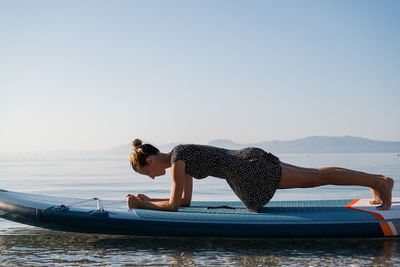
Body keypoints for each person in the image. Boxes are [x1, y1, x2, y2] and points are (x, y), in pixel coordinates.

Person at [126, 139, 394, 212]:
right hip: (248, 160)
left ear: (150, 160)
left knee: (315, 178)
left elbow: (173, 206)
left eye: (146, 172)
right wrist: (151, 199)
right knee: (315, 175)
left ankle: (378, 182)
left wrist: (142, 204)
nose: (150, 177)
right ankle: (376, 180)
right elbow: (183, 202)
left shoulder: (178, 159)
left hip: (249, 169)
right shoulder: (179, 156)